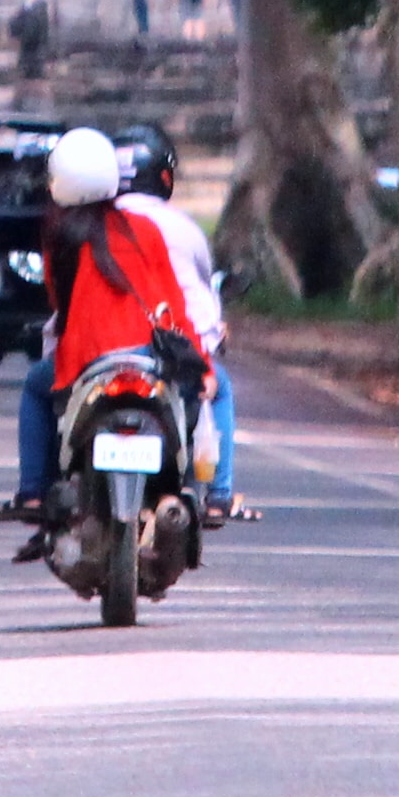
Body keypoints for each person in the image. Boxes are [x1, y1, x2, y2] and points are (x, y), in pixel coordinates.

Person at [9, 124, 217, 552]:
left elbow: (59, 305)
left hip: (86, 362)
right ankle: (195, 491)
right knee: (190, 408)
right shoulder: (146, 230)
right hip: (148, 358)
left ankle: (33, 490)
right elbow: (173, 306)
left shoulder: (61, 236)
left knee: (35, 387)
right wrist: (203, 365)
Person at [114, 129, 241, 515]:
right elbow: (194, 301)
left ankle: (36, 488)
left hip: (95, 354)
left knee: (42, 388)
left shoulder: (86, 227)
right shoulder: (180, 229)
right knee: (217, 388)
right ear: (164, 177)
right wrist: (205, 349)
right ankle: (218, 493)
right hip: (161, 351)